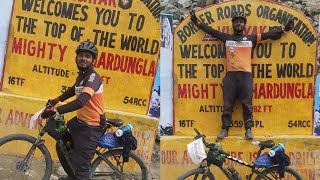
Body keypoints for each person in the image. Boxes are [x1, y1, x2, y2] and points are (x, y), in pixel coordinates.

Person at [190, 11, 294, 139]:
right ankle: (225, 129)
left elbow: (269, 34)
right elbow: (211, 31)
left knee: (247, 104)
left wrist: (284, 29)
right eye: (236, 22)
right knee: (227, 104)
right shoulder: (227, 38)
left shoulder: (251, 38)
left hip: (246, 76)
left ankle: (248, 129)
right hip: (230, 76)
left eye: (241, 22)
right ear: (233, 24)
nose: (238, 23)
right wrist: (197, 22)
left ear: (244, 25)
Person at [41, 39, 105, 179]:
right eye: (81, 55)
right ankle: (72, 175)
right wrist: (57, 100)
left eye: (88, 56)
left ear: (93, 60)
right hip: (79, 122)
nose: (83, 58)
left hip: (91, 127)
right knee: (62, 144)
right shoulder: (82, 76)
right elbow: (73, 90)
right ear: (76, 57)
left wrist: (57, 110)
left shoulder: (93, 78)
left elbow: (80, 101)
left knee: (82, 170)